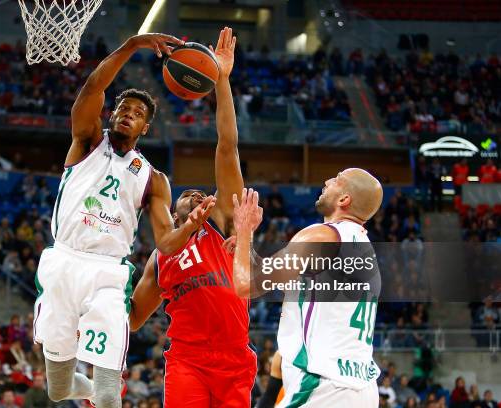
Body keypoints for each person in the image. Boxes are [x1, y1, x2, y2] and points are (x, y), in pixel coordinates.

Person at [33, 32, 216, 408]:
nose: (128, 116)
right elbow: (93, 86)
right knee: (57, 390)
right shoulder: (86, 141)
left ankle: (105, 391)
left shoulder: (153, 179)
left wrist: (191, 225)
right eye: (123, 110)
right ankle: (75, 385)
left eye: (137, 114)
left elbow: (166, 243)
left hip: (108, 275)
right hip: (63, 262)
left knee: (105, 394)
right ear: (111, 114)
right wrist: (132, 44)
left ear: (145, 128)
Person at [129, 28, 257, 407]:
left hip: (235, 360)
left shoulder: (221, 225)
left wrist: (221, 80)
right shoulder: (161, 256)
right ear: (172, 214)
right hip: (188, 361)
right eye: (187, 196)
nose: (196, 194)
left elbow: (227, 145)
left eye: (202, 194)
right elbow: (134, 318)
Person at [232, 168, 384, 408]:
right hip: (362, 388)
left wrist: (243, 231)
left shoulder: (321, 237)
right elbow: (291, 287)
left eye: (336, 179)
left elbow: (245, 285)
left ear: (344, 199)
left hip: (322, 386)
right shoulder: (363, 248)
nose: (327, 180)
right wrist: (246, 247)